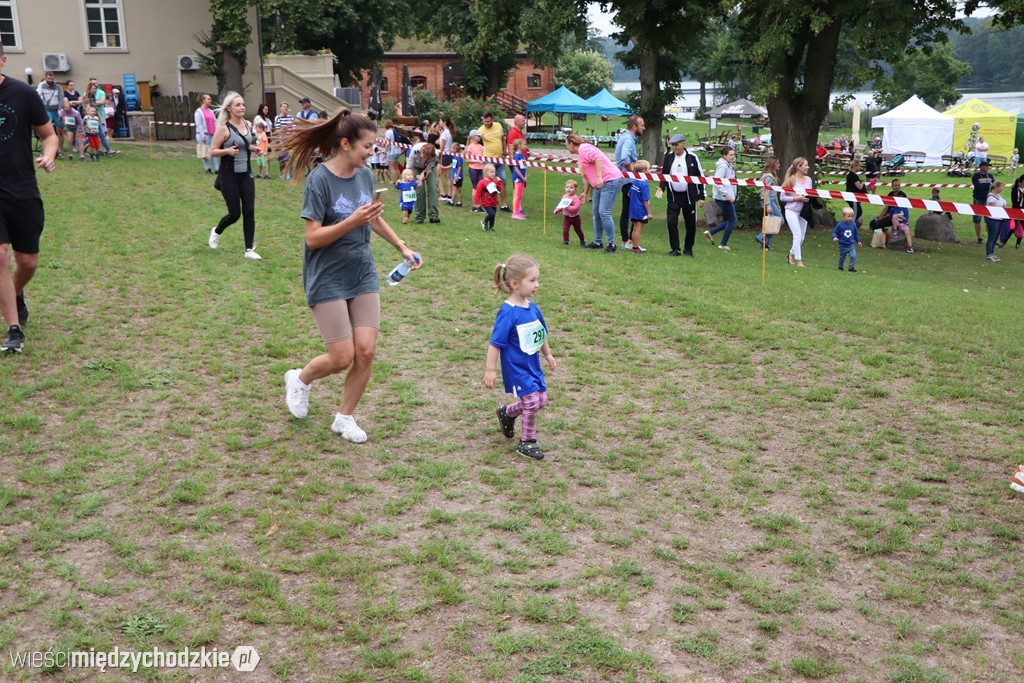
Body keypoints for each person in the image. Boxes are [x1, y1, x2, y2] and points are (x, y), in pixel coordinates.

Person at [279, 109, 422, 443]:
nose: (371, 153)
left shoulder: (365, 176)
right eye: (366, 147)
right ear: (345, 144)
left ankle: (344, 418)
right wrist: (350, 222)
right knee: (342, 357)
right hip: (327, 275)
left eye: (373, 147)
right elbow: (313, 237)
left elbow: (370, 218)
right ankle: (299, 380)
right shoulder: (319, 180)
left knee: (367, 351)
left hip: (362, 273)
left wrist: (402, 246)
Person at [0, 43, 59, 353]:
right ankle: (13, 330)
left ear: (3, 59)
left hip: (22, 187)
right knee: (0, 256)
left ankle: (15, 291)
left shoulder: (23, 95)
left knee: (27, 261)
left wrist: (49, 156)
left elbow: (49, 135)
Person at [484, 254, 556, 461]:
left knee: (541, 400)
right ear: (515, 284)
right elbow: (495, 343)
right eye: (532, 280)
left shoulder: (533, 308)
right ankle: (527, 441)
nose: (537, 285)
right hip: (516, 368)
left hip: (532, 366)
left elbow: (541, 333)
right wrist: (490, 370)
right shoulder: (508, 313)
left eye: (537, 279)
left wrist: (548, 354)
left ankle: (507, 412)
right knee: (532, 402)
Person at [207, 91, 260, 260]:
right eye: (238, 105)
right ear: (229, 109)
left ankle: (249, 249)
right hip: (229, 176)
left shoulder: (248, 125)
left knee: (249, 211)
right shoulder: (223, 128)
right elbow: (213, 151)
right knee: (235, 214)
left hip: (246, 174)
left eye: (243, 104)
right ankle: (216, 231)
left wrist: (253, 148)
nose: (242, 107)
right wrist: (227, 151)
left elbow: (244, 144)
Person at [565, 132, 626, 253]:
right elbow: (588, 175)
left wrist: (599, 177)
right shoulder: (580, 155)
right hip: (600, 184)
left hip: (610, 180)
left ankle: (611, 245)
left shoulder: (584, 148)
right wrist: (585, 192)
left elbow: (598, 159)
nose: (566, 147)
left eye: (566, 145)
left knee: (604, 212)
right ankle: (598, 241)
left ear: (571, 144)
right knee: (596, 213)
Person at [656, 133, 705, 257]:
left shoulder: (692, 158)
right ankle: (675, 249)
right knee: (671, 222)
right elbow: (664, 175)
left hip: (689, 197)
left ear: (683, 143)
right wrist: (662, 188)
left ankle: (688, 248)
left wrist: (701, 195)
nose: (674, 148)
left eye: (676, 145)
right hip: (674, 197)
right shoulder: (668, 157)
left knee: (690, 224)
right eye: (672, 145)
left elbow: (701, 177)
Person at [615, 115, 645, 248]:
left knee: (626, 210)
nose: (644, 128)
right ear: (634, 127)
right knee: (634, 210)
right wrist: (633, 169)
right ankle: (629, 242)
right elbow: (624, 158)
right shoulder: (628, 139)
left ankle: (625, 241)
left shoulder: (626, 137)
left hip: (625, 180)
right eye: (642, 125)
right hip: (629, 180)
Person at [780, 156, 814, 267]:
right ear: (799, 167)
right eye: (805, 165)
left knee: (802, 237)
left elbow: (810, 193)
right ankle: (799, 260)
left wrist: (808, 198)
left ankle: (791, 254)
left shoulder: (808, 180)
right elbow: (782, 197)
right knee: (797, 235)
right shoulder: (791, 179)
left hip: (804, 211)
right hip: (791, 210)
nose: (807, 167)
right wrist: (795, 198)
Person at [705, 147, 738, 250]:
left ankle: (711, 232)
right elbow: (717, 182)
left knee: (731, 220)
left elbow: (731, 182)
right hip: (723, 198)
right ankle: (723, 244)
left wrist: (735, 194)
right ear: (724, 156)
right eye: (731, 155)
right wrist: (726, 195)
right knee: (732, 220)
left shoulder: (729, 166)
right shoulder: (723, 167)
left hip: (729, 197)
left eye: (734, 155)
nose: (733, 157)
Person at [480, 111, 510, 211]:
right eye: (484, 122)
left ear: (492, 119)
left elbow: (503, 139)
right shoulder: (481, 130)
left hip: (500, 159)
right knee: (488, 182)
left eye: (488, 121)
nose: (486, 123)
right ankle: (488, 204)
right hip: (488, 160)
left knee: (503, 181)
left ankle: (504, 205)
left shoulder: (498, 126)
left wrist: (504, 153)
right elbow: (474, 140)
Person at [868, 178, 910, 249]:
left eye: (898, 185)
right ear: (892, 186)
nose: (897, 187)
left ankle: (884, 238)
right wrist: (880, 216)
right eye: (895, 185)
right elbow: (886, 208)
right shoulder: (890, 194)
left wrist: (881, 218)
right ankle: (882, 235)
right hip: (888, 215)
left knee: (877, 224)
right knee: (873, 223)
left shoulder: (902, 196)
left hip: (895, 217)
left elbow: (894, 212)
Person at [409, 141, 440, 224]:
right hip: (416, 167)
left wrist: (421, 178)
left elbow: (428, 169)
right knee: (419, 190)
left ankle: (433, 215)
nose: (425, 158)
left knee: (433, 188)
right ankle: (419, 216)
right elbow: (409, 166)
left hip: (429, 168)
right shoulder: (415, 150)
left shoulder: (436, 154)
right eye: (424, 156)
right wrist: (411, 178)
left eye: (428, 157)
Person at [36, 71, 65, 156]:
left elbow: (61, 98)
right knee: (48, 130)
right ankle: (45, 150)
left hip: (57, 110)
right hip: (47, 110)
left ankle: (60, 150)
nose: (51, 80)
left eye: (52, 78)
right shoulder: (42, 85)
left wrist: (60, 111)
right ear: (45, 77)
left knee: (60, 131)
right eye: (49, 78)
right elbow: (38, 95)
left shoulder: (58, 86)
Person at [628, 160, 653, 253]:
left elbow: (629, 194)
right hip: (640, 209)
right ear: (643, 171)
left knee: (634, 228)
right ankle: (635, 247)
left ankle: (634, 245)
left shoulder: (634, 182)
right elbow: (645, 199)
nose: (650, 171)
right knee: (639, 228)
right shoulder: (644, 184)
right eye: (649, 169)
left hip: (633, 208)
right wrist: (649, 212)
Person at [757, 156, 781, 251]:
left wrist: (777, 203)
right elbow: (764, 191)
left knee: (772, 222)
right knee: (780, 220)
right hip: (768, 201)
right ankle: (761, 236)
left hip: (773, 200)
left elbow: (774, 192)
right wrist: (768, 204)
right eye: (777, 163)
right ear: (773, 164)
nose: (779, 165)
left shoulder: (773, 176)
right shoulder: (768, 176)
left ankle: (765, 244)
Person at [554, 179, 585, 247]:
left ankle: (582, 240)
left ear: (575, 189)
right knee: (565, 229)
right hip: (567, 217)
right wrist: (557, 210)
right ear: (565, 188)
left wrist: (568, 207)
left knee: (578, 230)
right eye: (567, 187)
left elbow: (576, 207)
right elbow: (562, 205)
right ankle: (566, 241)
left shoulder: (575, 198)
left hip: (575, 217)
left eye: (571, 188)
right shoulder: (564, 197)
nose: (569, 189)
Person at [194, 93, 219, 174]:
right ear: (203, 100)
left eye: (210, 99)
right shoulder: (199, 112)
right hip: (203, 135)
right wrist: (203, 136)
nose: (210, 101)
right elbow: (199, 124)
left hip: (212, 134)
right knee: (204, 152)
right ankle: (207, 168)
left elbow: (215, 122)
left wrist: (217, 132)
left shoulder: (211, 111)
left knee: (213, 152)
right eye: (208, 99)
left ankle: (216, 169)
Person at [474, 163, 502, 232]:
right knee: (491, 214)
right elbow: (478, 193)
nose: (493, 174)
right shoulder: (482, 182)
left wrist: (499, 182)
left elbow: (499, 189)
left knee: (493, 215)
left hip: (494, 201)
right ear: (486, 173)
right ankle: (484, 221)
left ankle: (491, 227)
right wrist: (476, 202)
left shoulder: (494, 181)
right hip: (486, 202)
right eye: (491, 172)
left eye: (494, 172)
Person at [971, 160, 994, 244]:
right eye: (983, 166)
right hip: (978, 199)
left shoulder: (990, 176)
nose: (985, 168)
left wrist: (985, 186)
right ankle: (979, 237)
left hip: (988, 199)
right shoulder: (976, 176)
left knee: (989, 219)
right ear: (980, 167)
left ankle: (990, 237)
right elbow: (977, 186)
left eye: (986, 166)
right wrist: (987, 185)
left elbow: (993, 186)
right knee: (977, 219)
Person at [833, 206, 862, 272]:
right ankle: (840, 267)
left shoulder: (853, 224)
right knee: (842, 257)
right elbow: (835, 232)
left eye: (851, 216)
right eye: (848, 216)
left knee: (853, 256)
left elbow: (855, 234)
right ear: (843, 216)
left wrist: (858, 241)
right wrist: (835, 237)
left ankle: (851, 267)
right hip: (842, 244)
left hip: (851, 244)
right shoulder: (840, 225)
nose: (850, 218)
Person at [985, 180, 1007, 262]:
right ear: (996, 187)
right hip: (993, 219)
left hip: (1000, 219)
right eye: (1001, 187)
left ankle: (992, 253)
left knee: (995, 238)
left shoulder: (998, 196)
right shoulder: (991, 197)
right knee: (991, 237)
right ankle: (989, 254)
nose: (1002, 188)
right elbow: (994, 209)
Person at [465, 130, 485, 212]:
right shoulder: (470, 147)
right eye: (478, 136)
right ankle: (475, 205)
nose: (479, 137)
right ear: (473, 137)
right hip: (473, 168)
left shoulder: (481, 146)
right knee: (475, 186)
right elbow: (467, 159)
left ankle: (479, 205)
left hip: (480, 168)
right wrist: (476, 161)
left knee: (480, 186)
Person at [274, 102, 295, 179]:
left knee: (289, 158)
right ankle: (282, 174)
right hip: (281, 140)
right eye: (284, 107)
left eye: (286, 107)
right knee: (281, 159)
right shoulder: (277, 118)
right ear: (280, 108)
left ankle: (290, 174)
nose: (285, 108)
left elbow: (293, 128)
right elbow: (278, 130)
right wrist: (286, 128)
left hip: (289, 140)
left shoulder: (290, 117)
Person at [510, 138, 528, 220]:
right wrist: (522, 177)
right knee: (517, 195)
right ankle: (515, 213)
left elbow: (525, 167)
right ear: (519, 146)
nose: (526, 146)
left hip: (523, 178)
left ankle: (518, 211)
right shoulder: (516, 156)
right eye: (524, 144)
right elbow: (516, 168)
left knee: (520, 195)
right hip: (518, 178)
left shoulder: (523, 155)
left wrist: (525, 177)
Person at [438, 116, 455, 202]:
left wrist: (439, 155)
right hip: (448, 155)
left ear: (444, 122)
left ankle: (442, 194)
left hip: (444, 155)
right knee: (447, 176)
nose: (439, 122)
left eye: (440, 121)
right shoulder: (448, 132)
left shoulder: (445, 133)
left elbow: (442, 146)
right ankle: (449, 194)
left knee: (438, 175)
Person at [845, 158, 865, 224]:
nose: (860, 168)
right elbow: (859, 187)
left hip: (851, 196)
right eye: (859, 166)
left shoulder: (850, 175)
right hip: (853, 197)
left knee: (856, 211)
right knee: (857, 212)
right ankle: (849, 224)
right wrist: (862, 183)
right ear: (855, 166)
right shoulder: (853, 176)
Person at [449, 141, 464, 208]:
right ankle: (459, 202)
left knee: (455, 189)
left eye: (452, 148)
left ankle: (452, 201)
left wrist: (457, 176)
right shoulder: (454, 157)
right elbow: (453, 165)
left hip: (458, 176)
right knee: (458, 189)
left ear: (455, 149)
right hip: (455, 175)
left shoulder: (459, 157)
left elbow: (460, 167)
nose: (451, 150)